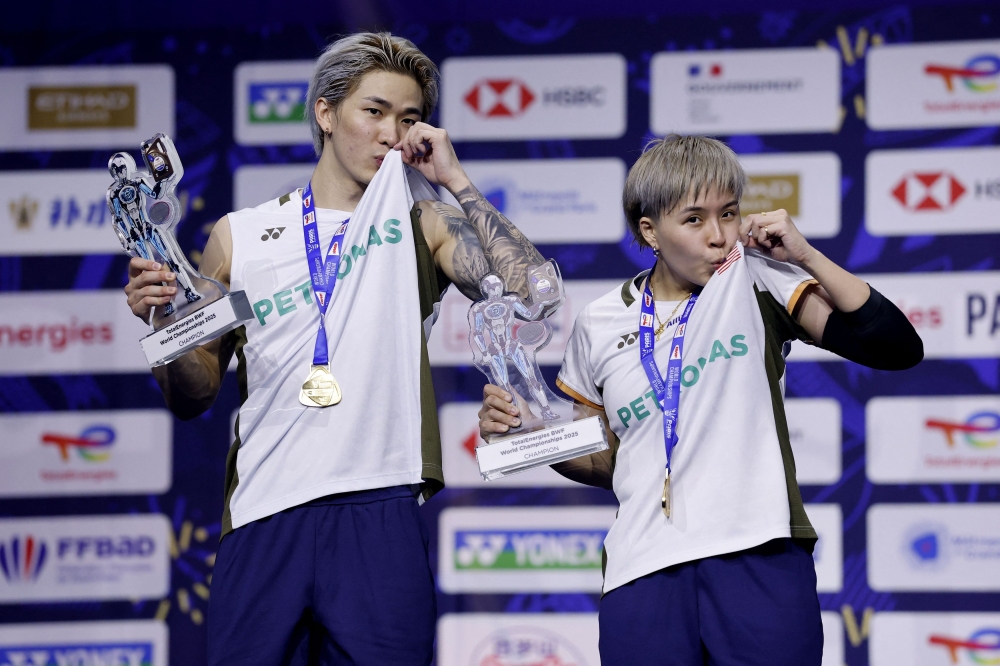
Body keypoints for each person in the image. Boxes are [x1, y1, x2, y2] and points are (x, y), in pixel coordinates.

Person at [124, 32, 545, 666]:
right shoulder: (238, 238)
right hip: (265, 515)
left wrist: (452, 177)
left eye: (407, 119)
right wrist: (164, 325)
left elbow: (530, 291)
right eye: (373, 112)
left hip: (379, 508)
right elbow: (195, 391)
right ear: (327, 113)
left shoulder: (420, 223)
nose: (390, 134)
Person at [478, 135, 922, 666]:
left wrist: (804, 254)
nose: (718, 236)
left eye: (728, 213)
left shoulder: (755, 279)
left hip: (758, 554)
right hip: (642, 569)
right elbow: (606, 462)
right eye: (694, 219)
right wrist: (528, 434)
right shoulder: (599, 323)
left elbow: (895, 347)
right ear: (650, 232)